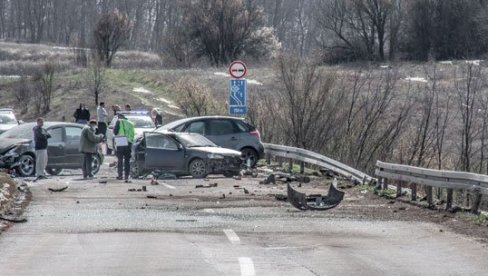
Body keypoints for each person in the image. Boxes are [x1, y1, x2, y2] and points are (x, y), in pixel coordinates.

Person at [114, 114, 135, 182]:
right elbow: (133, 134)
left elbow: (115, 132)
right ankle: (126, 176)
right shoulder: (131, 123)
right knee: (127, 160)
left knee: (120, 159)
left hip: (121, 141)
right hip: (129, 143)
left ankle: (120, 175)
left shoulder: (119, 121)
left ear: (120, 117)